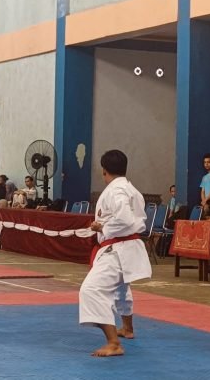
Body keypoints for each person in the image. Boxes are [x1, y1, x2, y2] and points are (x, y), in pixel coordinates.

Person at [80, 150, 151, 357]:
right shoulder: (131, 189)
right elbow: (130, 219)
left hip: (117, 248)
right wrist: (103, 225)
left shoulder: (115, 191)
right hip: (127, 248)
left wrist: (102, 228)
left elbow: (126, 220)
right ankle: (127, 328)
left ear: (104, 170)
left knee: (90, 290)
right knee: (121, 289)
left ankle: (113, 343)